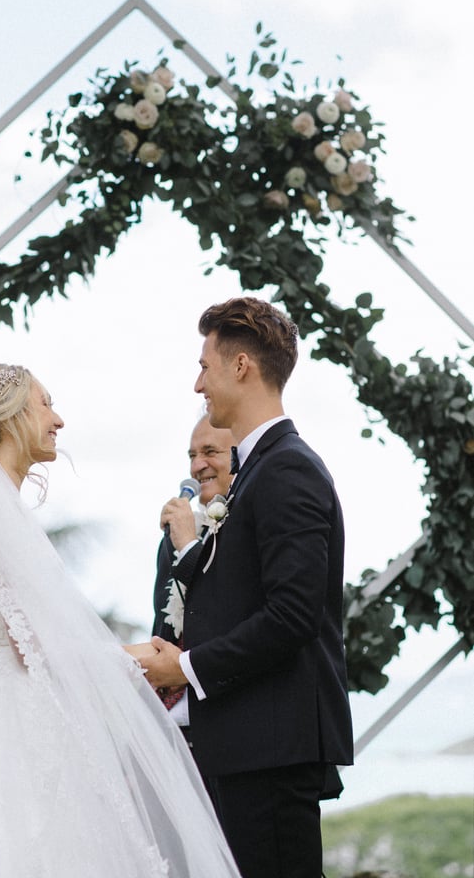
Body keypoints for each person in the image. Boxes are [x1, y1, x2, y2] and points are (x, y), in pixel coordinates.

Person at [0, 363, 240, 878]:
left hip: (12, 704)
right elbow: (34, 645)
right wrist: (140, 657)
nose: (60, 420)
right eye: (46, 403)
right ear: (11, 416)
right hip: (15, 721)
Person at [133, 298, 354, 878]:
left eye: (204, 365)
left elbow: (292, 616)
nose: (197, 382)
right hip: (245, 745)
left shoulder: (288, 469)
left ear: (240, 367)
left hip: (270, 752)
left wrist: (187, 668)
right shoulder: (257, 469)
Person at [152, 415, 233, 725]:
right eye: (192, 456)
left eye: (210, 452)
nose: (197, 466)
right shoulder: (178, 533)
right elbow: (163, 626)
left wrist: (189, 545)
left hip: (226, 715)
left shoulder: (248, 529)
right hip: (175, 721)